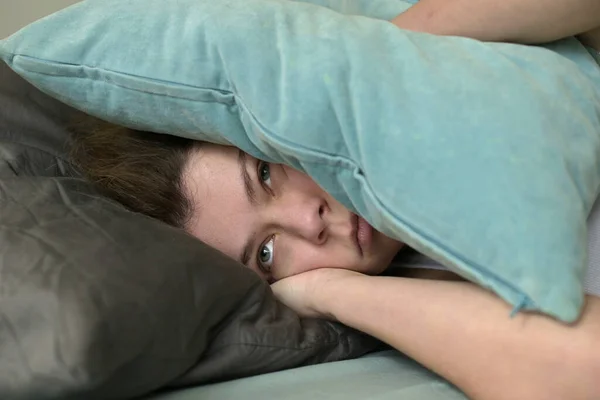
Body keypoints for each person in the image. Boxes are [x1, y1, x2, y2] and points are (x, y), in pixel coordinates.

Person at [70, 2, 600, 399]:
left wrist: (370, 63)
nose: (309, 222)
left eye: (264, 173)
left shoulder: (466, 66)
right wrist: (333, 292)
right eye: (267, 253)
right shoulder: (425, 283)